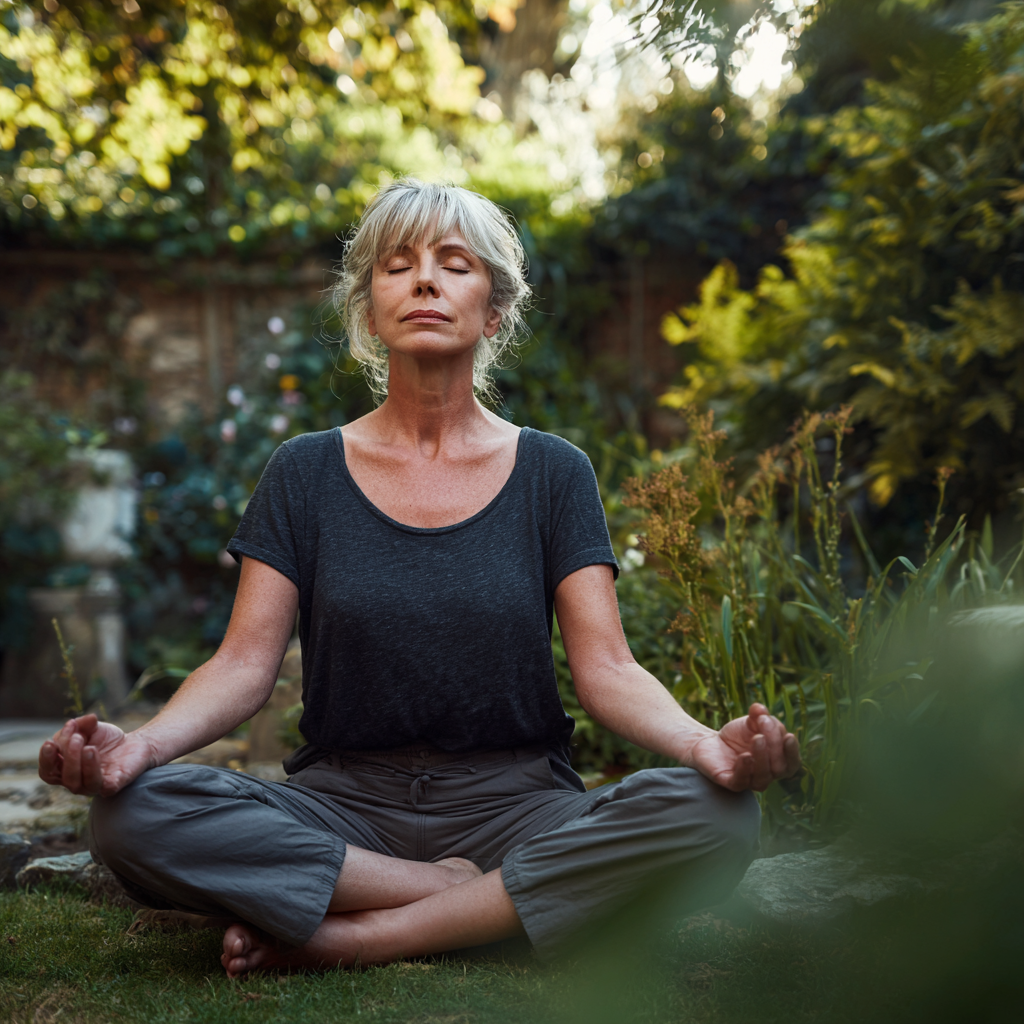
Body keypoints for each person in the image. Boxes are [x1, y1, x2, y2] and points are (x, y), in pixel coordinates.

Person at [38, 179, 801, 977]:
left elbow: (607, 669)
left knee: (717, 815)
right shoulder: (303, 472)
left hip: (516, 805)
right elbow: (241, 666)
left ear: (495, 310)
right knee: (130, 818)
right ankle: (452, 898)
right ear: (369, 309)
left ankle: (361, 935)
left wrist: (703, 746)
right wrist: (140, 749)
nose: (426, 281)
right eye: (397, 266)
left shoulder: (554, 474)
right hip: (341, 807)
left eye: (454, 263)